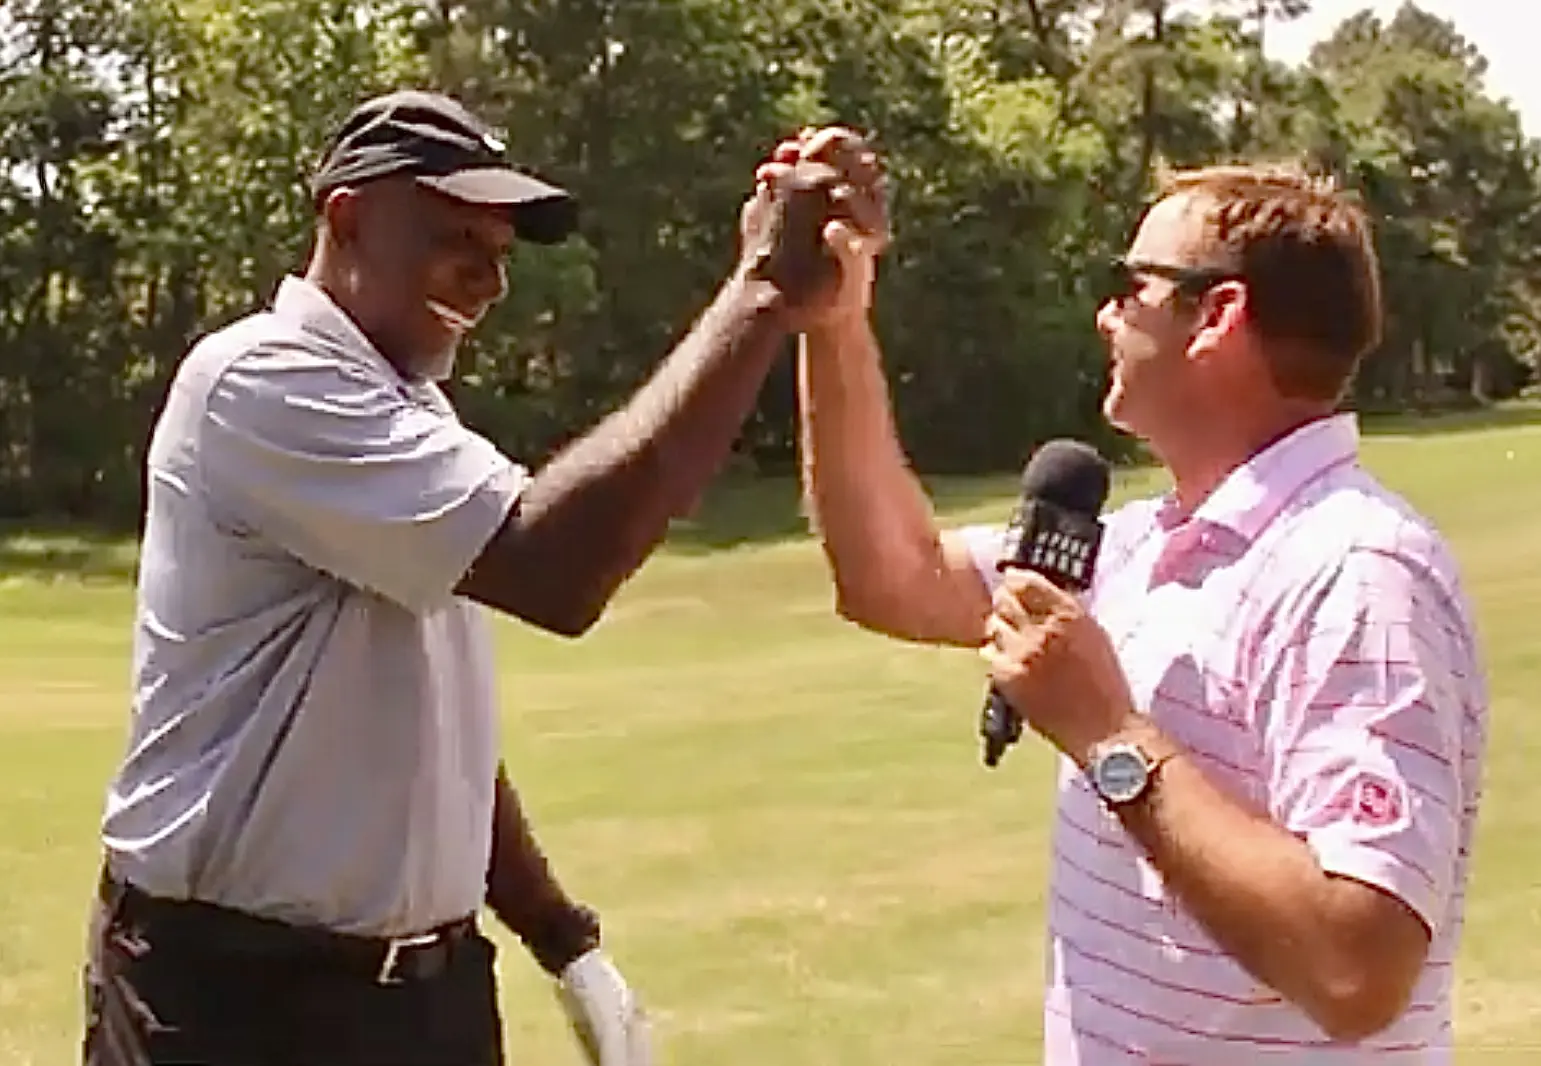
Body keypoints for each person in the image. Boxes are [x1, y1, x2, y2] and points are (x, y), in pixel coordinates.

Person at [83, 92, 884, 1066]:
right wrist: (759, 288)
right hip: (240, 1002)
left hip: (421, 1000)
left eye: (500, 253)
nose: (488, 279)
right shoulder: (261, 379)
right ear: (346, 216)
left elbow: (429, 732)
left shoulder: (410, 410)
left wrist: (556, 930)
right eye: (454, 236)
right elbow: (557, 569)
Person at [796, 144, 1489, 1063]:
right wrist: (833, 317)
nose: (1104, 314)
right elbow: (891, 575)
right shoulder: (1140, 541)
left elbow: (1356, 971)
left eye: (1130, 285)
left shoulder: (1355, 574)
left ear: (1218, 314)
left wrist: (1107, 736)